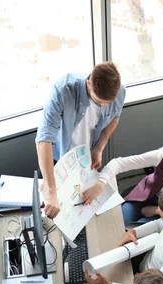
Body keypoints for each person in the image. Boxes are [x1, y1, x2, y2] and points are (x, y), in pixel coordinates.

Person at [36, 62, 126, 218]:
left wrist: (99, 148)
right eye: (99, 102)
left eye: (108, 103)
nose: (104, 107)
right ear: (88, 83)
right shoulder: (63, 90)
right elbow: (44, 138)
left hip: (87, 159)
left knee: (84, 213)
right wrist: (51, 191)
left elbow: (115, 118)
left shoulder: (119, 92)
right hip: (61, 159)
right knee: (57, 207)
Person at [82, 134, 163, 225]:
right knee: (119, 223)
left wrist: (157, 210)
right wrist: (100, 184)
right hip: (147, 195)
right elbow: (119, 163)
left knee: (135, 234)